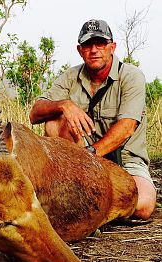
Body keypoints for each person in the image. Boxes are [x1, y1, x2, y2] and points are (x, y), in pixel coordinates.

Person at [29, 19, 156, 220]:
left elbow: (126, 128)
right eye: (88, 45)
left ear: (112, 47)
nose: (94, 50)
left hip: (126, 161)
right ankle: (83, 199)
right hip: (81, 163)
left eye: (100, 44)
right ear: (80, 50)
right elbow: (34, 114)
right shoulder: (70, 76)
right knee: (54, 122)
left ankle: (88, 208)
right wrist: (64, 104)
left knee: (143, 207)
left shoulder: (132, 76)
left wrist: (89, 156)